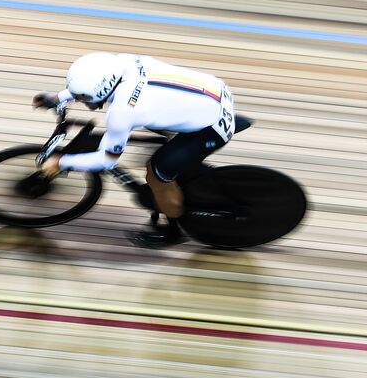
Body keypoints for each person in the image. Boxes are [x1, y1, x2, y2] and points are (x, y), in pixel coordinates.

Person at [34, 52, 246, 248]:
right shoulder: (123, 62)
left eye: (83, 98)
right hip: (216, 91)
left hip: (212, 128)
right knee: (155, 127)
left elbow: (107, 161)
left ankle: (173, 231)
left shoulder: (122, 113)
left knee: (156, 174)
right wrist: (57, 98)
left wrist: (61, 162)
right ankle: (182, 170)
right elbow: (96, 86)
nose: (82, 101)